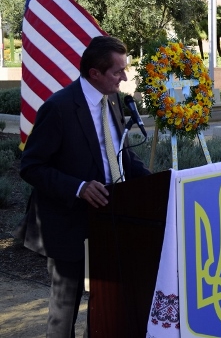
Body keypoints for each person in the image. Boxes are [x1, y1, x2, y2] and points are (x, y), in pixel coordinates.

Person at [14, 36, 151, 337]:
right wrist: (78, 187)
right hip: (65, 220)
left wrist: (159, 180)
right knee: (65, 309)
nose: (125, 77)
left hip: (110, 216)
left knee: (108, 301)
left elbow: (122, 154)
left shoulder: (112, 98)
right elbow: (31, 166)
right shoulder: (59, 108)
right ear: (95, 73)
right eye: (118, 72)